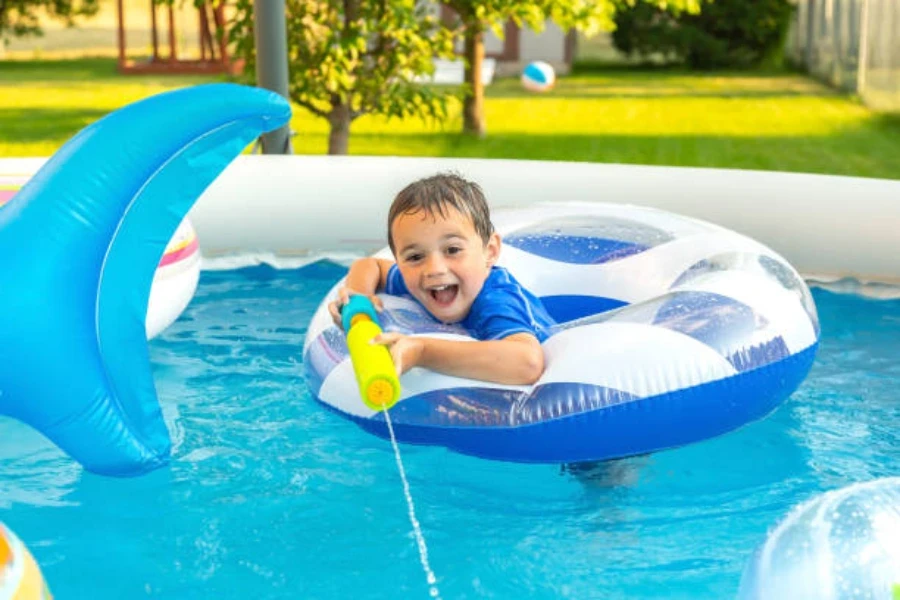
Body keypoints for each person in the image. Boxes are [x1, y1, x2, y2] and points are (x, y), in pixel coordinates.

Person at [328, 172, 555, 385]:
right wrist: (360, 296)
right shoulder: (419, 281)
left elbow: (528, 363)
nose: (434, 269)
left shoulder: (497, 300)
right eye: (415, 256)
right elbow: (370, 265)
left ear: (490, 251)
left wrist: (422, 351)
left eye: (453, 250)